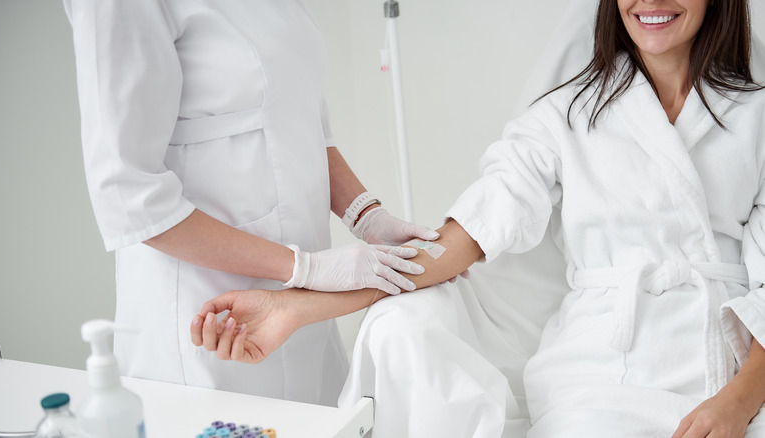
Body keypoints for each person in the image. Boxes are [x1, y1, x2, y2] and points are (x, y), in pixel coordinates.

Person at [192, 0, 765, 436]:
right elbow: (460, 242)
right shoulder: (564, 117)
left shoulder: (758, 113)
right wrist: (295, 307)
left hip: (723, 364)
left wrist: (739, 402)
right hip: (601, 365)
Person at [61, 0, 439, 407]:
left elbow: (302, 119)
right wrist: (305, 268)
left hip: (306, 304)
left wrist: (365, 214)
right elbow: (128, 197)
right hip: (209, 315)